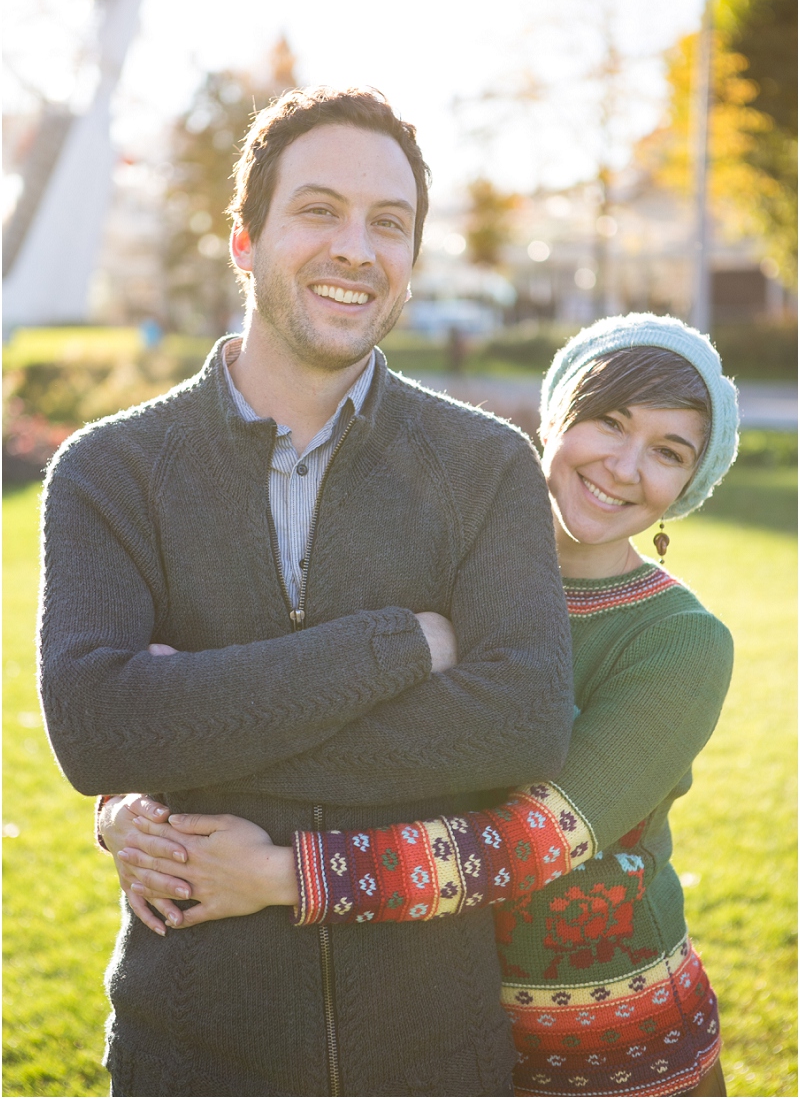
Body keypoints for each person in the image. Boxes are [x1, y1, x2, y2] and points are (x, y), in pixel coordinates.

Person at [38, 86, 575, 1097]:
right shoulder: (110, 471)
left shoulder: (487, 467)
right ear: (244, 242)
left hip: (436, 1059)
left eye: (389, 223)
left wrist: (198, 727)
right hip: (189, 1056)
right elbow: (99, 733)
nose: (355, 249)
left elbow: (523, 722)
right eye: (318, 210)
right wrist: (402, 649)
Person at [104, 313, 739, 1098]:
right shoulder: (434, 575)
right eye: (610, 420)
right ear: (557, 415)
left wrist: (279, 875)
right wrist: (131, 800)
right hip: (422, 1033)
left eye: (669, 453)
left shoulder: (680, 643)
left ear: (689, 486)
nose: (624, 464)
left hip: (607, 1052)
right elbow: (287, 704)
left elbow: (532, 842)